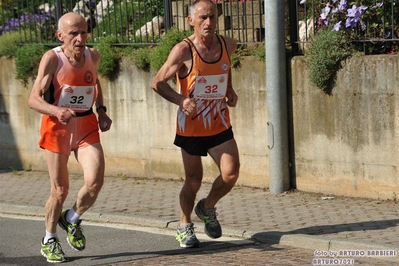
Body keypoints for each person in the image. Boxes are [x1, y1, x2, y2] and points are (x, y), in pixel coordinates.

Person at [151, 0, 240, 248]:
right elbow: (157, 82)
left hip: (219, 124)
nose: (208, 22)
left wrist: (229, 88)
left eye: (212, 17)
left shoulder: (227, 45)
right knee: (193, 180)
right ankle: (184, 224)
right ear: (191, 21)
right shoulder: (183, 50)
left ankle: (207, 206)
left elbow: (225, 69)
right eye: (202, 18)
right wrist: (180, 100)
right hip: (191, 127)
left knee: (231, 174)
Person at [28, 12, 112, 263]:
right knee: (60, 190)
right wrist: (56, 110)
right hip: (57, 128)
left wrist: (102, 111)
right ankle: (49, 238)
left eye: (83, 32)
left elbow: (95, 84)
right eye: (73, 33)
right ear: (60, 35)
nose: (79, 38)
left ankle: (72, 218)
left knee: (95, 182)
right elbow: (33, 99)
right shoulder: (52, 59)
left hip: (86, 124)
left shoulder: (93, 56)